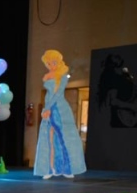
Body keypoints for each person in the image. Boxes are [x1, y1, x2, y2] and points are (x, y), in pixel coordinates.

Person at [33, 49, 87, 179]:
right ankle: (49, 168)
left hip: (60, 108)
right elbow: (48, 95)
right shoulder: (47, 76)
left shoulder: (62, 75)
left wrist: (48, 108)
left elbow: (58, 94)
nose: (51, 65)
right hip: (49, 108)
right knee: (48, 139)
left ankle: (66, 168)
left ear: (58, 61)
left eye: (53, 62)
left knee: (64, 138)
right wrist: (45, 108)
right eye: (49, 63)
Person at [96, 53, 137, 128]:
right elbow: (113, 101)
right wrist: (132, 106)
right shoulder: (114, 78)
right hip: (119, 118)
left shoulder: (124, 78)